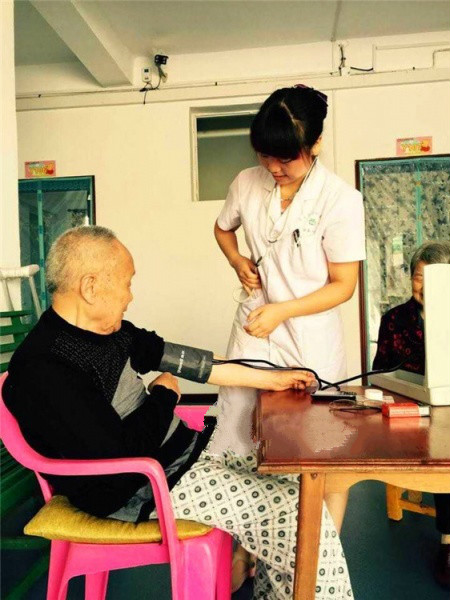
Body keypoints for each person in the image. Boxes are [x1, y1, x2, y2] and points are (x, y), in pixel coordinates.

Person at [4, 226, 354, 600]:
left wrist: (274, 379)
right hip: (143, 488)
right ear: (90, 287)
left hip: (180, 457)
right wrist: (163, 396)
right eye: (126, 283)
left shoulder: (110, 332)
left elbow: (193, 363)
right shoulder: (46, 367)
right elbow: (119, 459)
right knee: (296, 511)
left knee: (293, 483)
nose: (130, 296)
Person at [209, 85, 366, 538]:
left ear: (315, 145)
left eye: (286, 159)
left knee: (315, 448)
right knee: (240, 438)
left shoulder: (340, 200)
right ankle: (247, 548)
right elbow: (222, 229)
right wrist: (237, 261)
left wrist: (283, 311)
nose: (274, 168)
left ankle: (319, 552)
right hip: (256, 327)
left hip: (309, 336)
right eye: (265, 156)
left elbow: (343, 286)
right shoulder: (246, 182)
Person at [373, 240, 450, 589]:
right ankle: (448, 540)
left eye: (435, 278)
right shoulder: (393, 320)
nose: (425, 286)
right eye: (420, 277)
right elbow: (379, 374)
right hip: (412, 412)